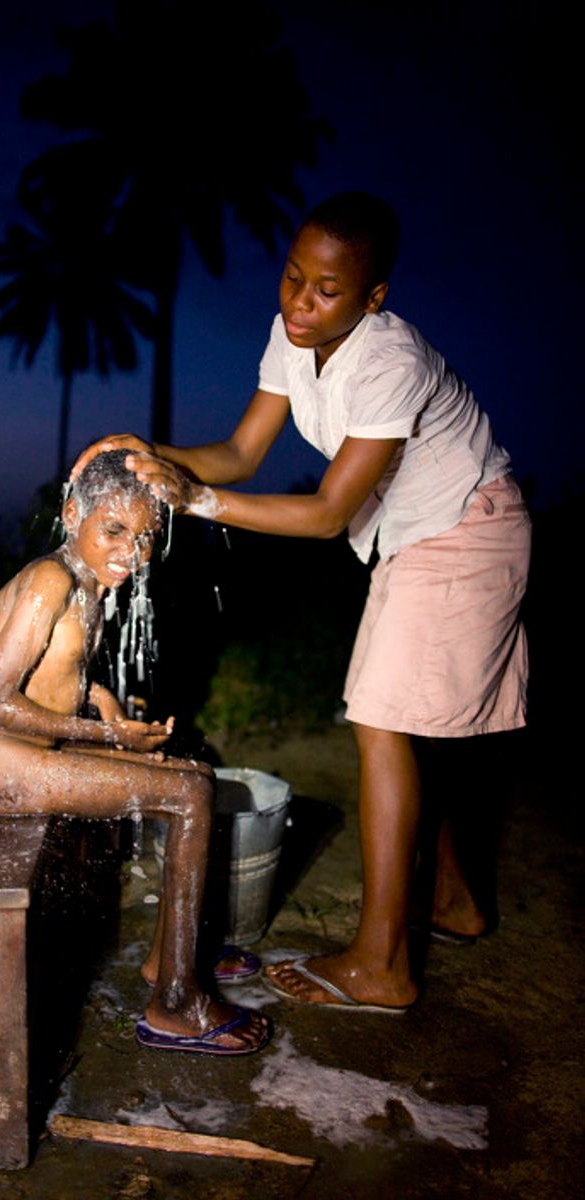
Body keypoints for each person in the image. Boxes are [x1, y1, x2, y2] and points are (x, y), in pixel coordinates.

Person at [73, 192, 531, 1014]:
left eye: (326, 290)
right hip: (413, 537)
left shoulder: (391, 364)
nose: (300, 302)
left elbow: (324, 513)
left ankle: (383, 964)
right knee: (418, 728)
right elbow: (241, 451)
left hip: (468, 528)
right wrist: (149, 452)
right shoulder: (292, 337)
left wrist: (197, 501)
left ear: (373, 297)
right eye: (292, 277)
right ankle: (453, 900)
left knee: (381, 720)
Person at [0, 450, 270, 1053]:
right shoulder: (49, 582)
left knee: (195, 776)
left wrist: (107, 707)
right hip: (0, 769)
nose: (133, 552)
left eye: (146, 538)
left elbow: (62, 668)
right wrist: (108, 737)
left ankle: (169, 959)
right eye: (115, 530)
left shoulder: (84, 578)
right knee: (188, 795)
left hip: (29, 752)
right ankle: (174, 1003)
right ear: (73, 514)